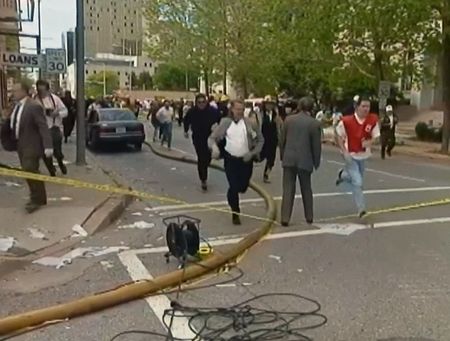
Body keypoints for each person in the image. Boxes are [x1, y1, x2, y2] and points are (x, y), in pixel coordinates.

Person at [208, 99, 264, 225]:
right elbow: (211, 139)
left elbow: (261, 140)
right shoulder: (225, 123)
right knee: (233, 187)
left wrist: (252, 153)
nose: (240, 112)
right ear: (232, 109)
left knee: (242, 187)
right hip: (230, 160)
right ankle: (235, 212)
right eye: (238, 109)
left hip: (246, 160)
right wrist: (215, 148)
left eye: (242, 109)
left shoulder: (250, 123)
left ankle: (235, 194)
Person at [1, 82, 53, 213]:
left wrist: (48, 146)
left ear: (25, 91)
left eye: (16, 91)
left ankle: (35, 199)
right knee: (29, 171)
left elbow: (43, 126)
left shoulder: (33, 106)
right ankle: (40, 197)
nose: (14, 93)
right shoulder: (16, 106)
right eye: (12, 91)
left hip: (32, 145)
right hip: (20, 144)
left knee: (30, 169)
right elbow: (14, 123)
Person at [335, 95, 380, 218]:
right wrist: (344, 151)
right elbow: (338, 135)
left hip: (363, 155)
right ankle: (361, 210)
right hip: (350, 155)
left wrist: (370, 142)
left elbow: (377, 137)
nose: (366, 109)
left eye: (368, 106)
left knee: (356, 180)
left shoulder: (372, 120)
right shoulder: (347, 121)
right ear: (357, 107)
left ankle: (342, 175)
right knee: (358, 182)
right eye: (363, 106)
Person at [279, 97, 322, 226]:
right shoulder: (314, 123)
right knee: (306, 188)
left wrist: (283, 155)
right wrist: (316, 161)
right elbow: (316, 146)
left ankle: (285, 217)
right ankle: (309, 216)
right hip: (305, 159)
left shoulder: (288, 120)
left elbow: (282, 140)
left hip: (289, 158)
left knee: (288, 189)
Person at [184, 94, 221, 191]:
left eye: (203, 102)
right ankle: (203, 179)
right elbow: (186, 120)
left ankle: (204, 169)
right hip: (198, 138)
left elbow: (220, 119)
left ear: (206, 102)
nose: (201, 104)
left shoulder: (212, 111)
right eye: (199, 102)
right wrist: (185, 130)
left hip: (210, 137)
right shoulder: (192, 112)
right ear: (196, 103)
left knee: (207, 158)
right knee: (201, 158)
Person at [35, 80, 68, 176]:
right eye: (39, 90)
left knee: (57, 152)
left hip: (54, 129)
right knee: (45, 153)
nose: (41, 93)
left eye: (43, 90)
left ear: (48, 90)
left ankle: (60, 163)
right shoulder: (34, 100)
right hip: (41, 131)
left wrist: (57, 113)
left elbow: (65, 111)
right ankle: (51, 170)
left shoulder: (55, 99)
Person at [260, 95, 283, 183]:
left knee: (271, 158)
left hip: (272, 139)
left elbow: (280, 126)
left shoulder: (276, 115)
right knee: (259, 156)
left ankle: (266, 174)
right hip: (262, 139)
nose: (269, 106)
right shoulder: (260, 114)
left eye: (271, 104)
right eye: (268, 104)